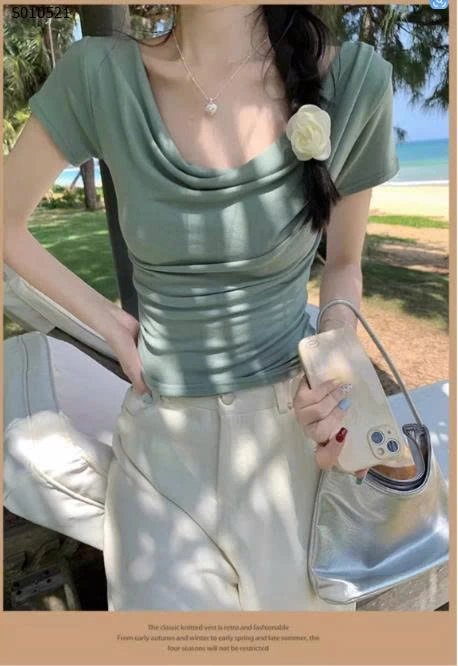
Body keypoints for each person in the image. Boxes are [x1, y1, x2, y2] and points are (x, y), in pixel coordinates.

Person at [4, 4, 400, 611]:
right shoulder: (99, 76)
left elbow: (344, 264)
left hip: (293, 455)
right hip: (160, 462)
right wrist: (107, 322)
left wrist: (334, 358)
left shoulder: (354, 82)